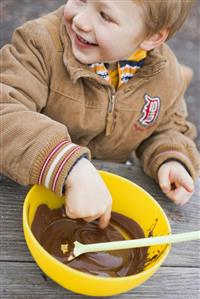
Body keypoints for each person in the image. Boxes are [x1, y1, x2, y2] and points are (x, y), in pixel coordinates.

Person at [1, 0, 199, 229]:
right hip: (25, 188)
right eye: (81, 0)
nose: (80, 20)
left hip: (106, 196)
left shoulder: (165, 75)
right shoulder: (39, 44)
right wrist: (69, 165)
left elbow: (167, 127)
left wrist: (170, 156)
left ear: (152, 37)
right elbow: (5, 110)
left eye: (105, 16)